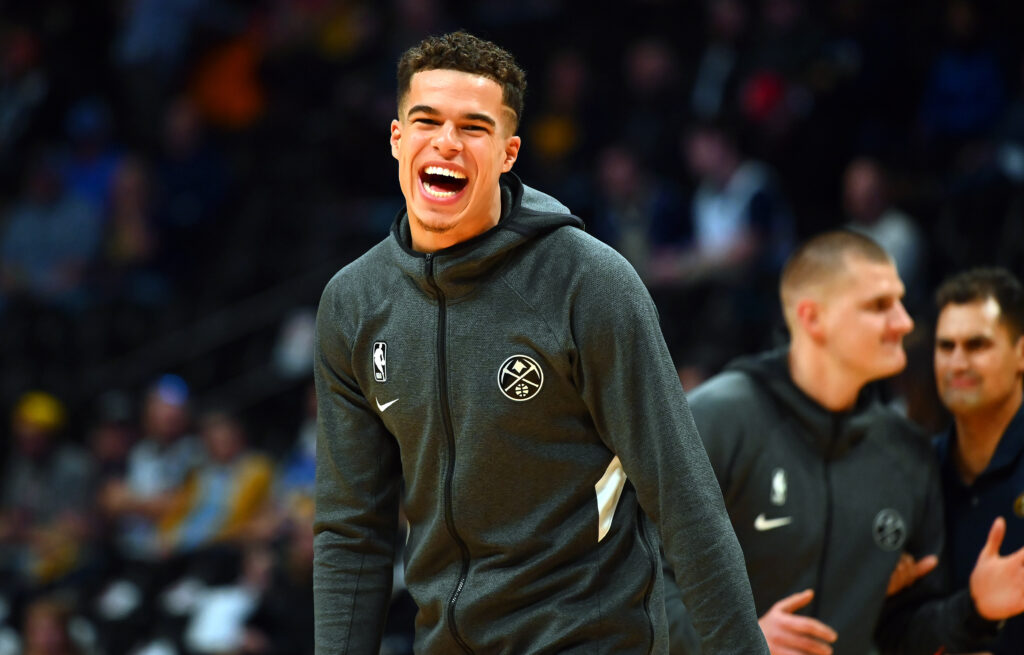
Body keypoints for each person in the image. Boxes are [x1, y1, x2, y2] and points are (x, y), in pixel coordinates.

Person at [313, 31, 768, 654]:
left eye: (474, 127)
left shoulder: (589, 283)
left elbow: (684, 500)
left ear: (508, 152)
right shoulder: (352, 304)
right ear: (397, 139)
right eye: (426, 121)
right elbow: (354, 533)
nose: (446, 142)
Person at [665, 230, 1024, 654]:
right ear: (813, 318)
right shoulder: (716, 418)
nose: (905, 323)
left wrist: (975, 610)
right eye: (879, 306)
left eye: (901, 301)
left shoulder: (909, 452)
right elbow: (637, 572)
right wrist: (736, 642)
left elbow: (901, 632)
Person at [932, 267, 1024, 654]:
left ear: (1022, 352)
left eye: (977, 345)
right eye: (946, 346)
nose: (957, 363)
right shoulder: (918, 469)